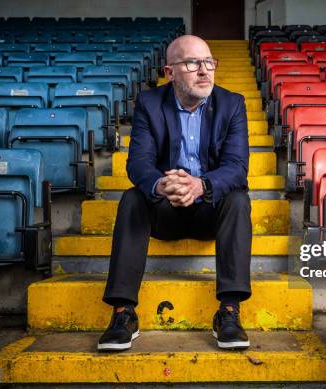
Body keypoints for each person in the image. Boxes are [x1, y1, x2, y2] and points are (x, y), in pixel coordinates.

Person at [97, 35, 252, 351]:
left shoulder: (232, 103)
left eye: (209, 62)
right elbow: (138, 163)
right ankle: (123, 313)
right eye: (193, 63)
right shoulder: (150, 103)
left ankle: (229, 311)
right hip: (165, 210)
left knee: (238, 198)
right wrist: (161, 185)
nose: (204, 71)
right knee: (131, 198)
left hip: (210, 210)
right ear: (169, 72)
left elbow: (236, 167)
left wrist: (201, 185)